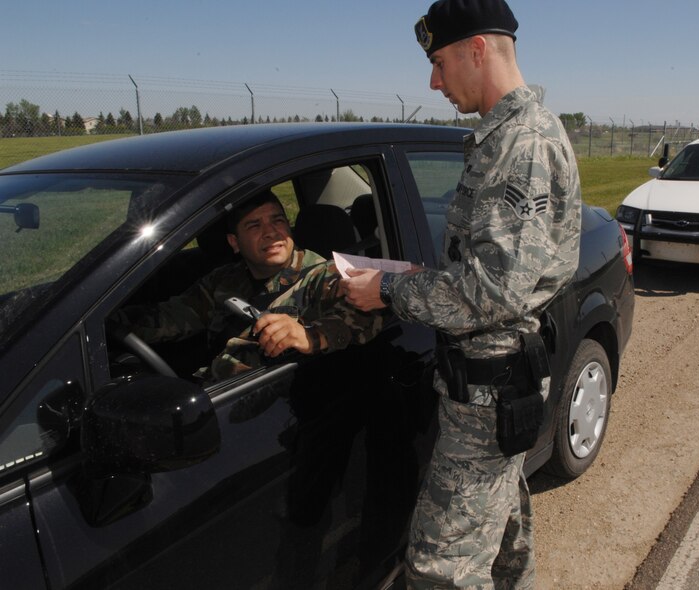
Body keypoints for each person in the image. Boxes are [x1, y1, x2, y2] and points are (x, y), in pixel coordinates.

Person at [342, 0, 582, 587]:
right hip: (489, 385)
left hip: (489, 388)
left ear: (478, 49)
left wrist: (388, 290)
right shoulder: (513, 136)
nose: (433, 81)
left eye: (440, 62)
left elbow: (493, 291)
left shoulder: (520, 145)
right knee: (502, 536)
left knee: (439, 567)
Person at [112, 190, 383, 381]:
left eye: (278, 220)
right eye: (254, 225)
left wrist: (309, 336)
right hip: (213, 393)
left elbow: (366, 317)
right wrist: (110, 323)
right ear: (234, 242)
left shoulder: (323, 275)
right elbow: (171, 317)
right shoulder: (224, 280)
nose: (271, 232)